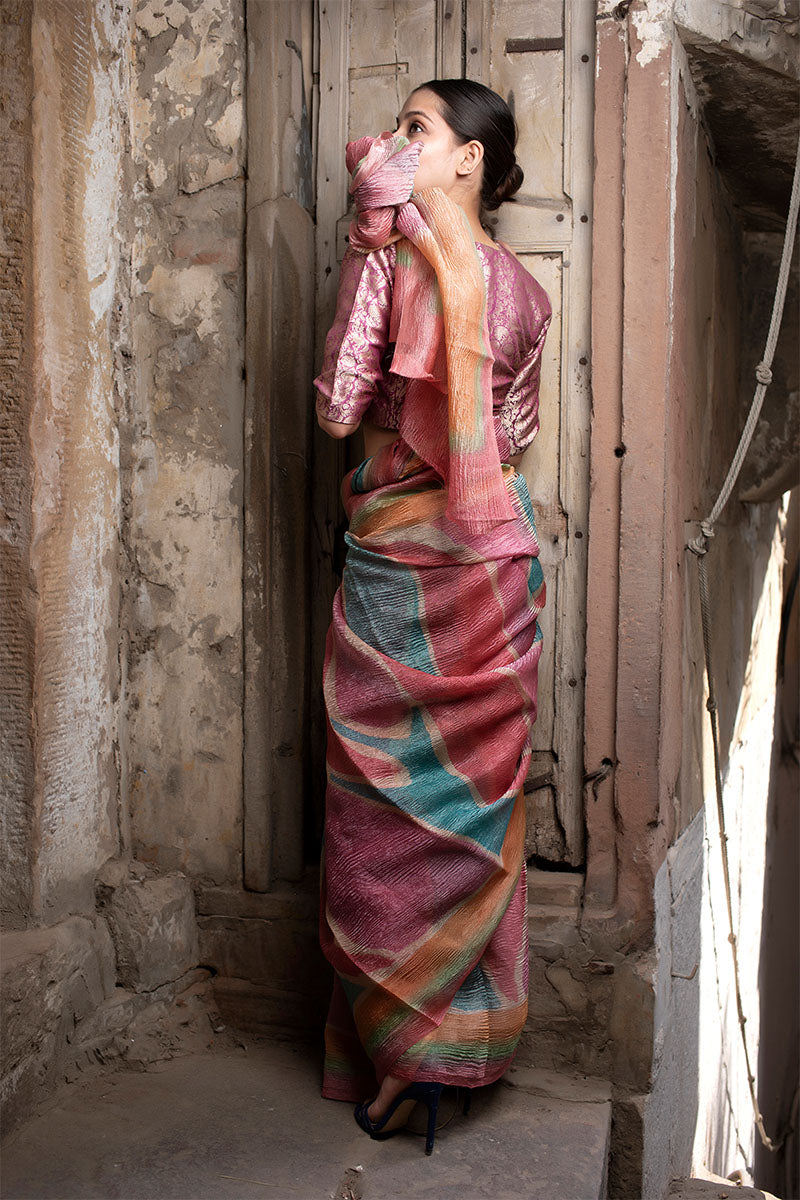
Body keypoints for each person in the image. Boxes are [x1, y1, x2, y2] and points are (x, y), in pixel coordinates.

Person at [314, 78, 553, 1156]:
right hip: (487, 569)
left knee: (395, 816)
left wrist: (374, 257)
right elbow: (513, 438)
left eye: (418, 129)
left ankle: (406, 1058)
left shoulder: (400, 268)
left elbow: (334, 407)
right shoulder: (524, 296)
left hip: (411, 559)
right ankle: (438, 1060)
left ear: (468, 161)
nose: (393, 143)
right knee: (443, 821)